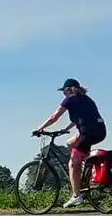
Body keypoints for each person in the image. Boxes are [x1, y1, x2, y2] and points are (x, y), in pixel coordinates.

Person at [32, 78, 106, 208]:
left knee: (72, 163)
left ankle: (77, 195)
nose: (63, 94)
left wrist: (39, 129)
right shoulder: (86, 99)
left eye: (64, 91)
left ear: (68, 89)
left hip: (88, 133)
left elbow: (54, 117)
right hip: (99, 131)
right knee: (70, 143)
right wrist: (65, 129)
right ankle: (84, 176)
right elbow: (79, 118)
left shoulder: (70, 98)